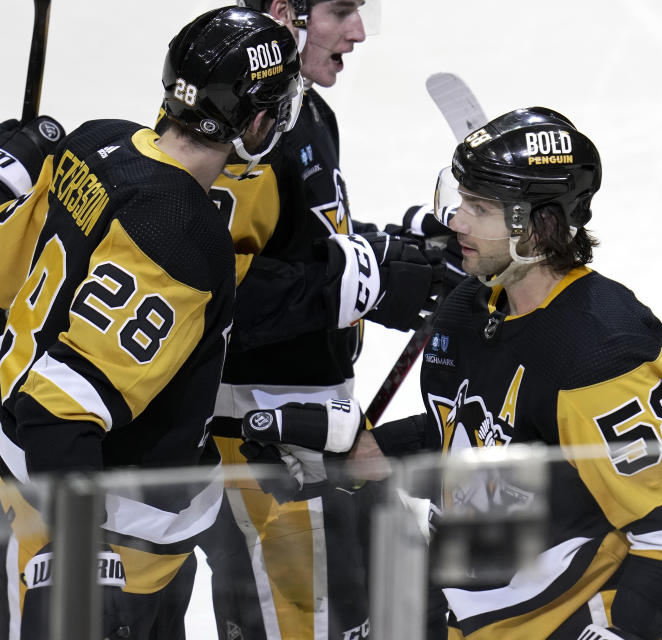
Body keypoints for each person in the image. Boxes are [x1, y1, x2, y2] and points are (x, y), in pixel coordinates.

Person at [287, 106, 662, 639]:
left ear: (538, 225)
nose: (456, 221)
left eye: (479, 207)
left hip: (557, 621)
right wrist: (367, 452)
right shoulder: (468, 309)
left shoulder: (603, 357)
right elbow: (471, 440)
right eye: (461, 199)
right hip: (471, 610)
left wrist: (624, 629)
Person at [0, 6, 302, 638]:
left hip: (20, 486)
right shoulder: (183, 232)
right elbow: (58, 411)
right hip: (111, 542)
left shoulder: (93, 141)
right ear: (255, 119)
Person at [175, 1, 445, 639]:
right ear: (282, 12)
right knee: (307, 623)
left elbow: (303, 242)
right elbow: (205, 295)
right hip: (261, 438)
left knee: (389, 601)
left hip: (323, 421)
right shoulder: (243, 132)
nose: (357, 32)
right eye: (341, 10)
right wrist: (368, 281)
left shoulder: (303, 109)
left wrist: (402, 249)